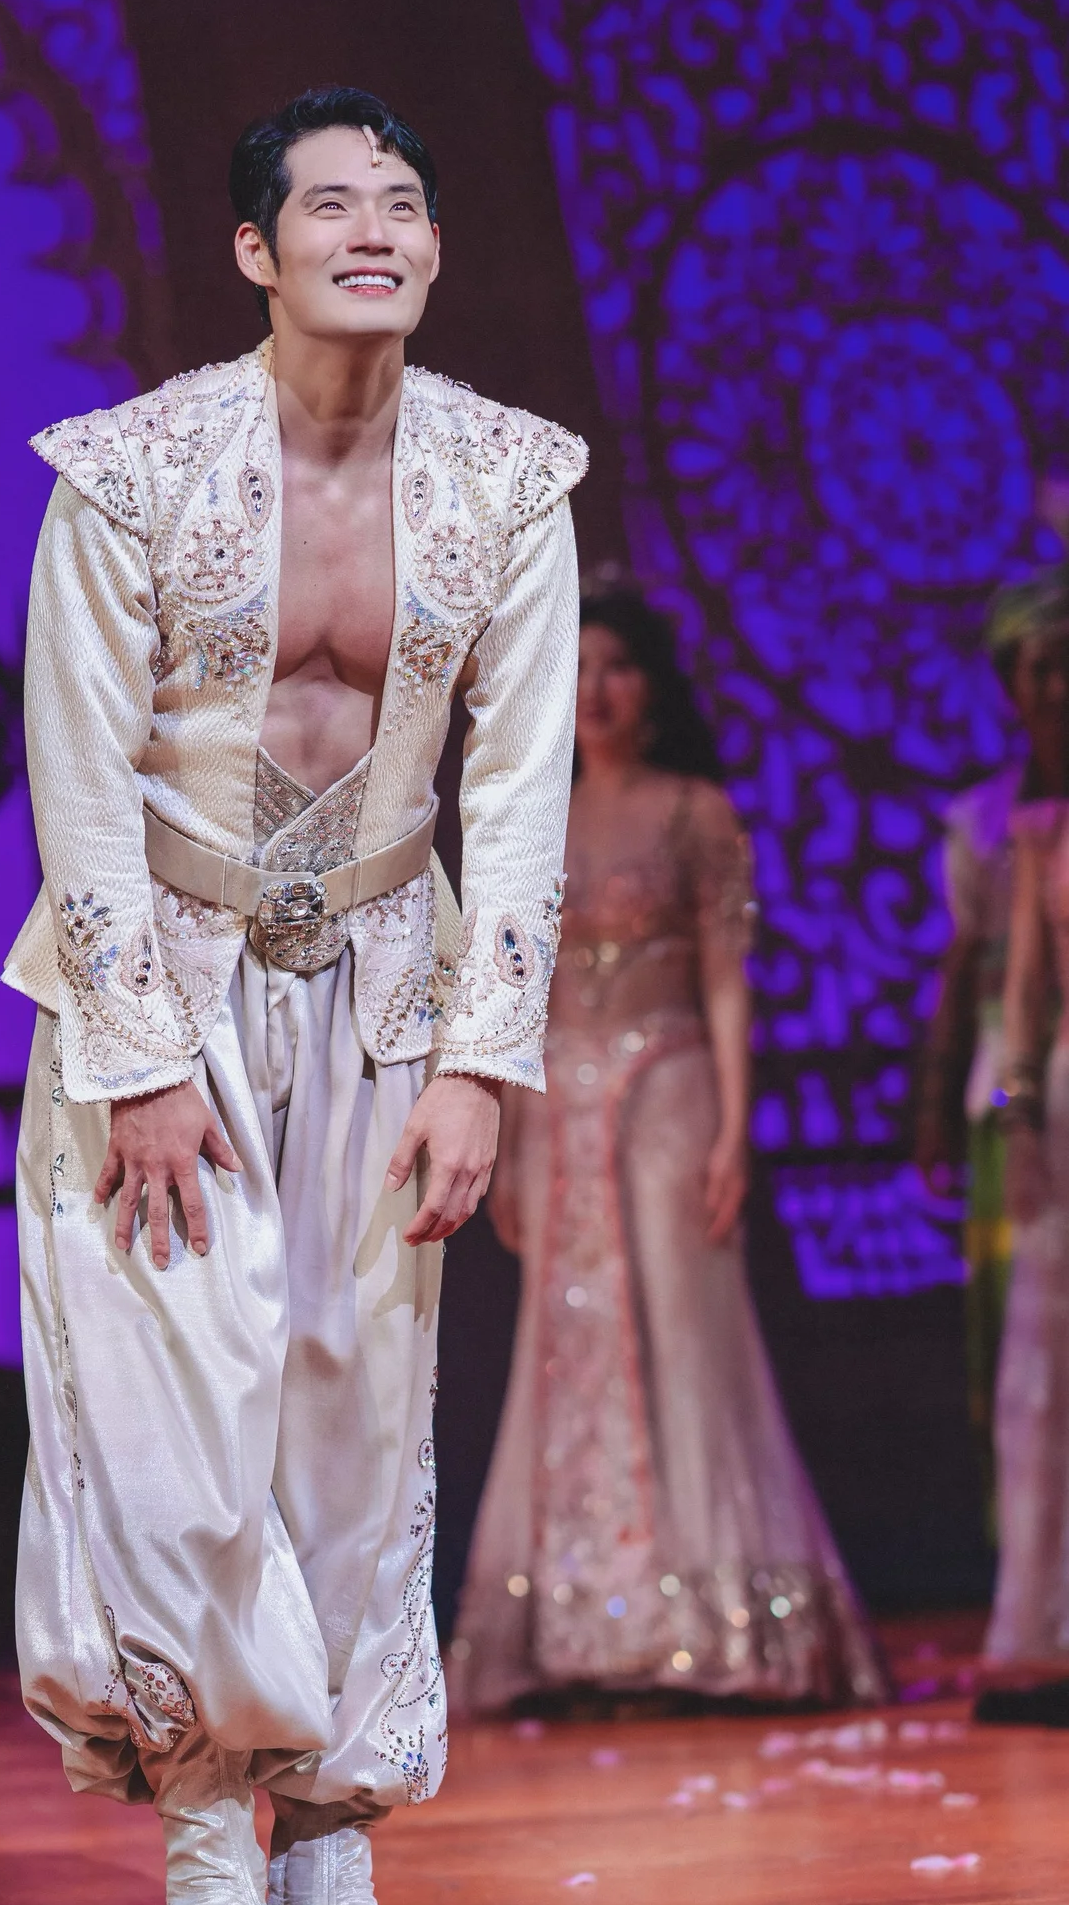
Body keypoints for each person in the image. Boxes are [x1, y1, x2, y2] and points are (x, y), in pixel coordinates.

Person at [3, 87, 585, 1905]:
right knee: (183, 1459)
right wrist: (136, 1057)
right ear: (257, 251)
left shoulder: (507, 479)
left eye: (401, 202)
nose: (373, 229)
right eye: (330, 204)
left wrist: (481, 1061)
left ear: (434, 246)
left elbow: (519, 791)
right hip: (161, 1001)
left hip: (384, 998)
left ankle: (332, 1891)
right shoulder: (133, 470)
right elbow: (81, 781)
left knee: (351, 1436)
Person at [450, 578, 886, 1713]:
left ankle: (715, 1619)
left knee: (689, 1338)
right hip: (562, 1106)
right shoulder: (532, 813)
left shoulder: (698, 811)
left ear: (652, 688)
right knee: (563, 1346)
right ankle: (581, 1628)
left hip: (672, 1087)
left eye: (619, 667)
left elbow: (729, 981)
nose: (597, 690)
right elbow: (519, 992)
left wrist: (737, 1127)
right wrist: (508, 1129)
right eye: (580, 669)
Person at [917, 555, 1069, 1530]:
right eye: (1040, 666)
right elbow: (966, 968)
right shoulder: (985, 821)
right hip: (1009, 1096)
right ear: (1010, 681)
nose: (1056, 687)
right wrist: (934, 1104)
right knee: (1019, 1318)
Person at [984, 572, 1069, 1663]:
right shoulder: (1041, 831)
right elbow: (1023, 994)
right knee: (1048, 1368)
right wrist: (1015, 1113)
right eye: (1041, 669)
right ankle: (1047, 1621)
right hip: (1065, 1101)